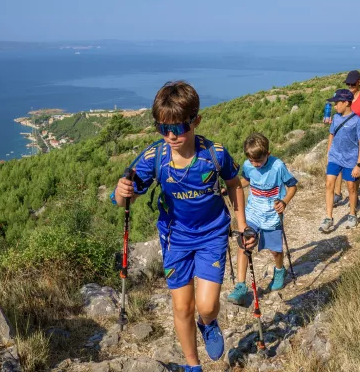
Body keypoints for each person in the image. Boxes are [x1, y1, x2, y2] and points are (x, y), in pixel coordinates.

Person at [113, 81, 247, 372]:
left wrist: (242, 226)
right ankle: (192, 366)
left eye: (178, 128)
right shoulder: (155, 157)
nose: (171, 136)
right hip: (175, 238)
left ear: (196, 121)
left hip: (212, 233)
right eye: (163, 129)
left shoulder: (215, 154)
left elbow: (235, 184)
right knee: (181, 307)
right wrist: (121, 192)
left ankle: (208, 323)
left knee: (207, 305)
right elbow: (127, 196)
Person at [227, 133, 298, 305]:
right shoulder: (248, 165)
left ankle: (279, 270)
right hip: (252, 213)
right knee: (244, 243)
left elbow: (292, 186)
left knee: (275, 251)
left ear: (268, 153)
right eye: (251, 161)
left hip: (272, 215)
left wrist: (284, 201)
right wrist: (230, 187)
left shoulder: (278, 166)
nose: (255, 165)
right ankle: (241, 286)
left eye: (258, 161)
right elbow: (246, 179)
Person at [319, 89, 360, 232]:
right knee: (329, 185)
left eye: (337, 103)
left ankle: (352, 214)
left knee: (351, 187)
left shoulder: (357, 121)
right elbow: (331, 135)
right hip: (335, 157)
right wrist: (329, 154)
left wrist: (358, 165)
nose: (334, 106)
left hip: (351, 159)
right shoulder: (336, 118)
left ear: (346, 103)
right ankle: (328, 218)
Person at [332, 70, 360, 207]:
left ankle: (354, 195)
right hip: (343, 136)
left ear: (359, 83)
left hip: (358, 138)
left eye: (352, 83)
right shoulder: (344, 96)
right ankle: (337, 194)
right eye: (348, 83)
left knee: (355, 168)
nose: (350, 85)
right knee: (338, 164)